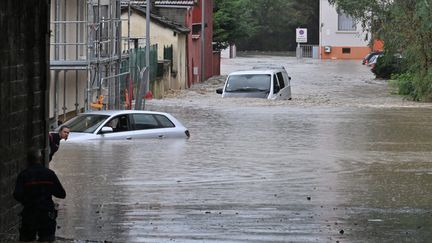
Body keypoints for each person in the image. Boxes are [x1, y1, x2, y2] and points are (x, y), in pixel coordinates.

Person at [13, 148, 66, 242]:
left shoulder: (24, 175)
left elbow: (17, 195)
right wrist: (48, 190)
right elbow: (62, 194)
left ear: (28, 160)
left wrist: (27, 201)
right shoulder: (50, 174)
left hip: (29, 214)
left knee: (27, 239)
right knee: (46, 239)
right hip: (46, 214)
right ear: (41, 159)